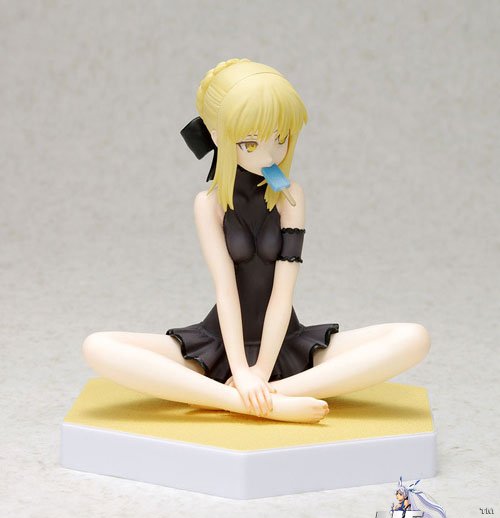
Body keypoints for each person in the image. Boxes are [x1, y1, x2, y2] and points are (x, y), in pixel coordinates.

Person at [82, 58, 431, 424]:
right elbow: (226, 290)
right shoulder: (209, 205)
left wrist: (261, 373)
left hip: (285, 342)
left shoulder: (289, 197)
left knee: (413, 337)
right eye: (250, 143)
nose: (269, 155)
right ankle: (241, 400)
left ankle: (273, 394)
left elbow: (283, 292)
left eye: (281, 139)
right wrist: (240, 370)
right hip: (219, 343)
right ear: (217, 136)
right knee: (99, 346)